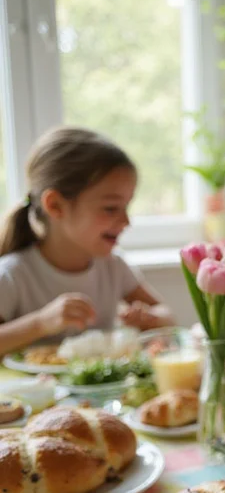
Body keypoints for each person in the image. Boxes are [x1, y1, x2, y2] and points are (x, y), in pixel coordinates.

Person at [0, 126, 173, 355]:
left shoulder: (114, 266)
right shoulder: (14, 274)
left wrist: (150, 319)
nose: (126, 221)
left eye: (126, 207)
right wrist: (40, 323)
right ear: (56, 205)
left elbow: (167, 315)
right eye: (111, 208)